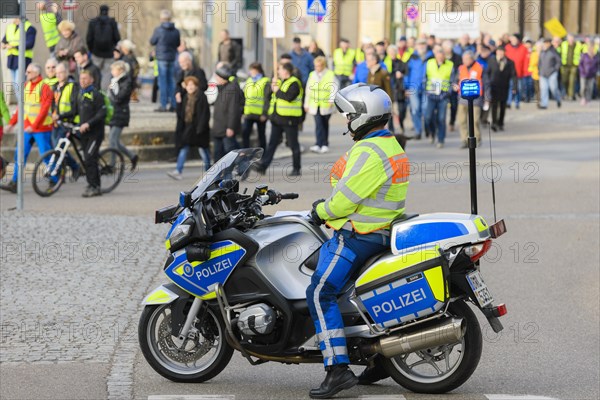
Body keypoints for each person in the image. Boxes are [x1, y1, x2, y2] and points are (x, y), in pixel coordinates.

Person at [306, 83, 409, 399]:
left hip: (360, 235)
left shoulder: (368, 151)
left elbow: (341, 204)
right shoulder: (388, 144)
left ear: (363, 116)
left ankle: (337, 369)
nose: (346, 120)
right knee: (355, 295)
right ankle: (378, 359)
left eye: (349, 115)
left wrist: (318, 209)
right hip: (380, 231)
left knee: (320, 292)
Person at [1, 64, 53, 194]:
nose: (26, 74)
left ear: (36, 73)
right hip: (28, 128)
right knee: (20, 154)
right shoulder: (26, 86)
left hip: (41, 129)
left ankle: (54, 178)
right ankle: (15, 182)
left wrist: (34, 126)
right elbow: (21, 109)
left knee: (45, 155)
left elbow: (44, 110)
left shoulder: (45, 87)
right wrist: (11, 123)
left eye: (29, 72)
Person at [256, 63, 303, 176]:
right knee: (272, 144)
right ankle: (263, 166)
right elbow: (270, 96)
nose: (278, 72)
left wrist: (277, 91)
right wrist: (272, 87)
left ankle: (296, 168)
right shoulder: (281, 82)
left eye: (280, 70)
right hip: (277, 119)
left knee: (293, 144)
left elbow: (289, 97)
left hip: (289, 120)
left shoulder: (294, 83)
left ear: (286, 71)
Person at [167, 76, 211, 180]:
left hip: (200, 129)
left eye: (192, 85)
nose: (190, 87)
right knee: (184, 148)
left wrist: (200, 129)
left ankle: (209, 172)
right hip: (189, 128)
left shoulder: (201, 96)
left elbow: (205, 114)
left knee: (204, 151)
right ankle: (178, 170)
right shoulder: (186, 97)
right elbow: (181, 114)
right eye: (188, 85)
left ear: (196, 86)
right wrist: (178, 103)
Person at [74, 70, 107, 197]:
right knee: (87, 159)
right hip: (84, 133)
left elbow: (101, 113)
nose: (82, 81)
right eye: (81, 78)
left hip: (95, 133)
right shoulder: (80, 94)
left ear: (91, 80)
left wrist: (89, 124)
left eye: (85, 78)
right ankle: (91, 182)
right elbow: (75, 112)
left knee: (89, 157)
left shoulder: (96, 94)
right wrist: (60, 117)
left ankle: (95, 187)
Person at [50, 62, 80, 177]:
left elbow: (74, 108)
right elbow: (54, 105)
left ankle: (58, 173)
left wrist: (60, 116)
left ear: (67, 72)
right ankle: (73, 167)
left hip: (69, 122)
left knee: (59, 148)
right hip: (57, 123)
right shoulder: (56, 87)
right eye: (56, 73)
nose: (58, 75)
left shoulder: (73, 86)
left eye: (61, 72)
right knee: (56, 148)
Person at [454, 50, 489, 148]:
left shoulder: (480, 68)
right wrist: (454, 85)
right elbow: (455, 80)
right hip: (462, 98)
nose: (464, 61)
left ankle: (477, 139)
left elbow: (486, 84)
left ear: (471, 59)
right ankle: (464, 140)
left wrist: (487, 98)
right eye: (463, 59)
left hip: (476, 99)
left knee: (474, 121)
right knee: (462, 120)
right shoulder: (461, 68)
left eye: (466, 59)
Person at [107, 60, 138, 170]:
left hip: (121, 113)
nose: (111, 72)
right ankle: (132, 156)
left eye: (113, 69)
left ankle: (112, 164)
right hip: (113, 113)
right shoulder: (115, 81)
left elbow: (118, 98)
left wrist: (111, 90)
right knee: (116, 141)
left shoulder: (126, 81)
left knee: (112, 140)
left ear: (120, 70)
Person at [150, 9, 181, 112]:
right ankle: (173, 105)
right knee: (171, 82)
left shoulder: (158, 30)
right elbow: (178, 44)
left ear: (161, 19)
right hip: (172, 58)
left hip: (161, 58)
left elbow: (152, 41)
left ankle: (163, 105)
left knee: (162, 82)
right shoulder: (176, 31)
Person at [211, 64, 243, 161]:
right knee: (218, 154)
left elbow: (233, 110)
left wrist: (230, 127)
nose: (215, 78)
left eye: (217, 76)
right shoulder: (222, 88)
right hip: (219, 127)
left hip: (226, 128)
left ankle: (243, 167)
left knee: (231, 152)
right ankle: (219, 175)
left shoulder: (231, 89)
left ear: (222, 77)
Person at [424, 45, 454, 148]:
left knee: (441, 118)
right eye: (438, 55)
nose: (440, 58)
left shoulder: (450, 64)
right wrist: (426, 90)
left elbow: (452, 80)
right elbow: (425, 77)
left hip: (443, 95)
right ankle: (432, 133)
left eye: (442, 56)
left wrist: (448, 92)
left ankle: (441, 139)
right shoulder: (429, 63)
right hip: (431, 94)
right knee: (428, 117)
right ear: (435, 55)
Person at [305, 56, 336, 154]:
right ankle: (318, 143)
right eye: (315, 66)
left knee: (324, 124)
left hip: (326, 104)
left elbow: (334, 88)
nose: (317, 68)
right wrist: (306, 104)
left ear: (323, 65)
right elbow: (308, 90)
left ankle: (324, 144)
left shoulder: (330, 74)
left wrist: (332, 100)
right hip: (314, 104)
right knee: (318, 124)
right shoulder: (312, 74)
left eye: (318, 66)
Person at [86, 4, 120, 90]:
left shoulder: (93, 22)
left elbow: (89, 38)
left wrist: (92, 50)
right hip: (109, 54)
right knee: (107, 75)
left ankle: (94, 93)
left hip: (96, 53)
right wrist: (113, 47)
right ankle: (104, 94)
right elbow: (117, 38)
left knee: (94, 74)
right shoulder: (112, 22)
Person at [405, 38, 433, 139]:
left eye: (423, 44)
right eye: (419, 44)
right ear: (416, 46)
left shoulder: (431, 56)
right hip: (413, 87)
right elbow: (407, 73)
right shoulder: (412, 57)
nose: (421, 46)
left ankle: (427, 128)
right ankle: (418, 131)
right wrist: (406, 87)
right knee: (415, 110)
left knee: (426, 110)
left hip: (427, 87)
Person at [488, 46, 517, 131]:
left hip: (504, 86)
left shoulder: (510, 62)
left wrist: (514, 87)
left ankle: (500, 122)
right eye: (499, 51)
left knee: (503, 106)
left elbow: (514, 75)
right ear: (496, 52)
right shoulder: (491, 61)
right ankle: (494, 122)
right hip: (494, 86)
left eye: (502, 52)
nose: (500, 53)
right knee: (494, 105)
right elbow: (487, 73)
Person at [242, 62, 270, 150]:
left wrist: (265, 114)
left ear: (258, 71)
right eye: (250, 70)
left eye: (252, 70)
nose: (251, 72)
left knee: (261, 135)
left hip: (260, 114)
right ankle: (245, 153)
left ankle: (262, 154)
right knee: (245, 133)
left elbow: (267, 99)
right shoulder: (249, 80)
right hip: (249, 113)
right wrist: (243, 111)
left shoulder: (265, 81)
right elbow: (245, 96)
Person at [1, 18, 37, 87]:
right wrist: (2, 44)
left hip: (23, 59)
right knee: (15, 85)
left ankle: (25, 98)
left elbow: (30, 44)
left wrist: (14, 46)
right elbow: (4, 40)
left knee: (19, 84)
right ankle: (23, 97)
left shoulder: (29, 27)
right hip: (11, 59)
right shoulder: (10, 27)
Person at [504, 33, 528, 109]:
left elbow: (525, 61)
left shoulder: (523, 48)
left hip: (519, 72)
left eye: (515, 39)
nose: (513, 41)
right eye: (512, 39)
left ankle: (517, 102)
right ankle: (509, 102)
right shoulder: (507, 47)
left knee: (518, 88)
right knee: (510, 87)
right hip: (509, 72)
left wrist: (525, 71)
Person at [442, 40, 461, 132]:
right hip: (442, 86)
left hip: (453, 85)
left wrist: (456, 83)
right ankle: (441, 123)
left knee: (454, 105)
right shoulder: (440, 57)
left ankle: (451, 122)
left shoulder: (457, 58)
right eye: (445, 48)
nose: (446, 50)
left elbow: (459, 71)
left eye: (448, 48)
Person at [538, 38, 562, 110]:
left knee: (553, 88)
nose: (546, 44)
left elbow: (559, 62)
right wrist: (539, 70)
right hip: (543, 73)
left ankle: (558, 99)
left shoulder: (554, 51)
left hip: (552, 73)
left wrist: (555, 69)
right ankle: (544, 104)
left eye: (547, 43)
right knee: (543, 89)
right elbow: (540, 62)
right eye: (545, 43)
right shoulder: (542, 52)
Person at [559, 34, 584, 100]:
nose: (570, 40)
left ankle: (570, 95)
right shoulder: (563, 44)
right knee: (564, 80)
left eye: (572, 39)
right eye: (569, 39)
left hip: (574, 65)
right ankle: (567, 93)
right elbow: (559, 52)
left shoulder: (578, 45)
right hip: (565, 65)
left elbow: (583, 52)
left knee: (572, 81)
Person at [391, 49, 408, 133]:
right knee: (390, 111)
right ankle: (392, 129)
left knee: (402, 111)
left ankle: (401, 124)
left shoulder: (402, 63)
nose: (392, 54)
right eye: (390, 52)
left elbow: (407, 74)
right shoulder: (386, 63)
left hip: (400, 90)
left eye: (393, 52)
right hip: (390, 90)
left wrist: (402, 75)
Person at [529, 40, 542, 104]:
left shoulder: (543, 53)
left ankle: (539, 99)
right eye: (538, 47)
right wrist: (531, 72)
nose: (539, 48)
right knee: (536, 87)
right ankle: (538, 99)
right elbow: (531, 64)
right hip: (535, 73)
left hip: (543, 73)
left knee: (541, 88)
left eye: (540, 47)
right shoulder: (533, 54)